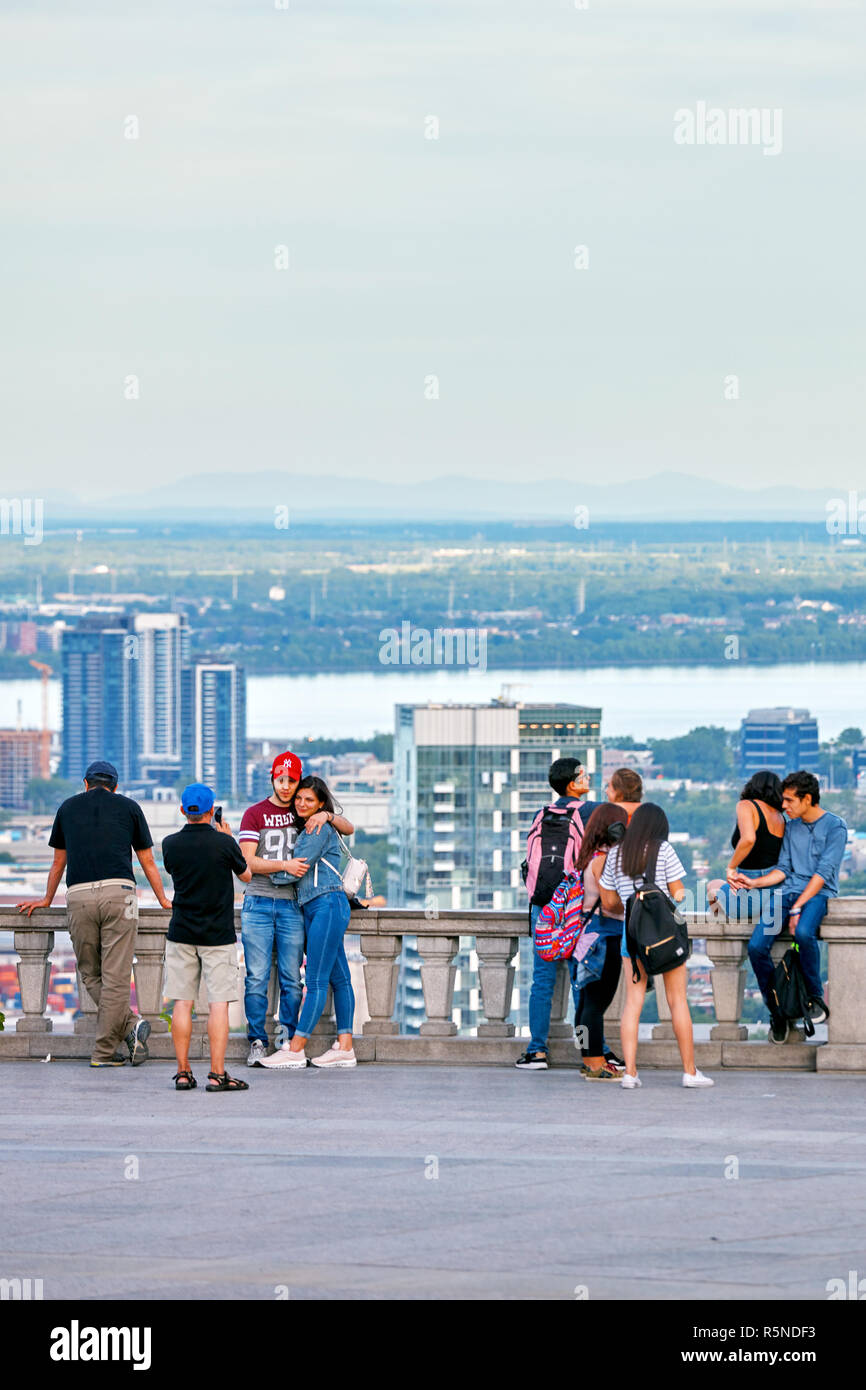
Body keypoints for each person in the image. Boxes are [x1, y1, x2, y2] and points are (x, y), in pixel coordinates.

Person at [17, 759, 170, 1068]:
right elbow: (148, 862)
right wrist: (164, 900)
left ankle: (123, 1032)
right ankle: (115, 1040)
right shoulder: (129, 807)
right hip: (120, 895)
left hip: (79, 897)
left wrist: (47, 898)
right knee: (115, 978)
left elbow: (58, 862)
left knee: (89, 972)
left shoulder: (67, 808)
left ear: (85, 784)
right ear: (115, 787)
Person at [238, 751, 354, 1067]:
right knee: (264, 978)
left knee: (302, 980)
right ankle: (340, 1044)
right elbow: (248, 862)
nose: (290, 791)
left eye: (294, 782)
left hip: (309, 905)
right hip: (270, 904)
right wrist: (280, 865)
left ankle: (293, 1045)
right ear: (272, 779)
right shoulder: (258, 813)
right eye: (282, 780)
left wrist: (328, 816)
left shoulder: (311, 821)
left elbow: (348, 826)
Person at [600, 803, 713, 1090]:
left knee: (633, 1003)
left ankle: (630, 1073)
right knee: (677, 1000)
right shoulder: (664, 850)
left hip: (632, 934)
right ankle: (689, 1072)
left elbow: (610, 901)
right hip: (664, 933)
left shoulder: (615, 854)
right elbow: (679, 894)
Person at [733, 771, 847, 1043]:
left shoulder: (835, 827)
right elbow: (783, 869)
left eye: (789, 800)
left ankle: (814, 996)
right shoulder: (791, 826)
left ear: (807, 799)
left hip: (817, 894)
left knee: (805, 934)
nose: (783, 806)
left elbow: (823, 873)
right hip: (786, 893)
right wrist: (755, 882)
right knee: (757, 947)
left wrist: (798, 907)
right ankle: (777, 1010)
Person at [162, 783, 253, 1092]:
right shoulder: (224, 843)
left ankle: (183, 1072)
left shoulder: (170, 844)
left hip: (181, 931)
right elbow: (246, 876)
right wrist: (228, 839)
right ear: (213, 811)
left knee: (182, 1003)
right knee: (218, 1004)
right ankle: (217, 1073)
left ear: (183, 811)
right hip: (218, 933)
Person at [515, 756, 592, 1071]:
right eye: (583, 774)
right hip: (574, 908)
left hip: (543, 905)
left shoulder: (541, 814)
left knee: (541, 981)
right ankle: (589, 1051)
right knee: (581, 981)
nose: (588, 777)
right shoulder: (588, 812)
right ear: (573, 783)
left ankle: (537, 1051)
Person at [574, 803, 628, 1080]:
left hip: (586, 937)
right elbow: (610, 904)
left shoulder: (589, 857)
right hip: (605, 938)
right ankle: (595, 1063)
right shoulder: (605, 861)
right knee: (596, 1002)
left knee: (585, 1002)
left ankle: (587, 1058)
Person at [707, 771, 785, 928]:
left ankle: (724, 935)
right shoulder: (780, 817)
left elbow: (749, 839)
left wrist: (731, 867)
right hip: (775, 893)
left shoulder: (746, 805)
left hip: (750, 893)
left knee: (712, 887)